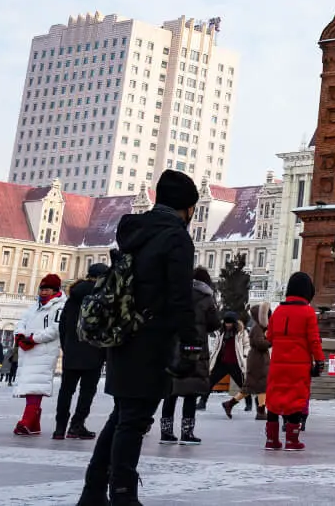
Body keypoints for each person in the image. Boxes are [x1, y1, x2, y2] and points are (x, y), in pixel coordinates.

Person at [79, 169, 203, 506]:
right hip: (151, 339)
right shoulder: (176, 237)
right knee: (133, 421)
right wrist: (191, 343)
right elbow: (180, 297)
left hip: (123, 334)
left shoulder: (135, 231)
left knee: (122, 416)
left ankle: (93, 491)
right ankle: (123, 495)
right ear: (187, 208)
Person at [161, 266, 220, 445]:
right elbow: (215, 323)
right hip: (195, 348)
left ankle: (166, 432)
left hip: (174, 347)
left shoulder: (177, 294)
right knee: (191, 391)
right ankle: (187, 433)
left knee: (171, 391)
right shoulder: (207, 298)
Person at [264, 271, 323, 452]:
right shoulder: (308, 313)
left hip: (277, 365)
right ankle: (292, 440)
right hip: (299, 366)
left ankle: (272, 440)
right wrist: (319, 361)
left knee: (274, 400)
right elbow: (314, 340)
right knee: (296, 400)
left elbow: (269, 337)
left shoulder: (278, 311)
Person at [55, 263, 108, 440]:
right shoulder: (103, 297)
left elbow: (62, 325)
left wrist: (66, 346)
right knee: (87, 392)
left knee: (66, 391)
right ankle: (76, 425)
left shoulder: (72, 297)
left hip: (71, 351)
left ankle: (59, 428)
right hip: (94, 352)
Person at [14, 273, 67, 436]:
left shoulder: (60, 306)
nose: (43, 292)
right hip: (28, 351)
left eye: (47, 289)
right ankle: (34, 424)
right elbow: (22, 321)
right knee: (31, 386)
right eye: (42, 289)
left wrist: (33, 339)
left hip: (44, 351)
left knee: (36, 387)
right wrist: (20, 335)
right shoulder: (34, 305)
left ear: (55, 290)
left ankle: (26, 421)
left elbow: (55, 329)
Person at [214, 311, 250, 417]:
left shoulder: (241, 332)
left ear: (234, 323)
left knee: (243, 384)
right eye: (226, 323)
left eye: (230, 323)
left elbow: (247, 345)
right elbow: (217, 345)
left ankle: (249, 404)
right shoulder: (221, 331)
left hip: (236, 362)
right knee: (211, 380)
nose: (227, 325)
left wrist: (245, 355)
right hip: (222, 362)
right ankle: (202, 401)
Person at [243, 301, 272, 420]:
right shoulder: (258, 328)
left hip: (259, 358)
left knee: (259, 387)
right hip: (258, 359)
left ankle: (230, 404)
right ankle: (260, 412)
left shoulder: (258, 327)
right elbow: (260, 343)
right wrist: (270, 342)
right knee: (261, 387)